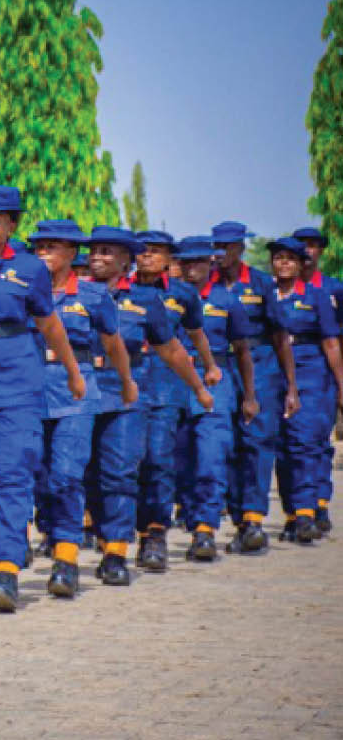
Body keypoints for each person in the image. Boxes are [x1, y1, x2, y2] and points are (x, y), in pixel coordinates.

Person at [0, 186, 84, 612]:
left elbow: (50, 325)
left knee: (11, 475)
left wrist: (73, 371)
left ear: (11, 225)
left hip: (17, 384)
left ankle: (5, 570)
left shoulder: (28, 269)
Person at [86, 227, 211, 584]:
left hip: (136, 394)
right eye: (94, 250)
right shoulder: (71, 296)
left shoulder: (146, 301)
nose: (97, 257)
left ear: (125, 260)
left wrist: (200, 387)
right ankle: (104, 531)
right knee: (88, 472)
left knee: (137, 466)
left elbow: (172, 349)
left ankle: (130, 544)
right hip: (83, 396)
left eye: (107, 251)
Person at [29, 220, 131, 596]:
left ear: (72, 254)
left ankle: (66, 559)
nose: (43, 254)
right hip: (30, 390)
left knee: (67, 476)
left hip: (76, 392)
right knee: (38, 480)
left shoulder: (92, 295)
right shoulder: (23, 290)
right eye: (39, 247)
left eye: (52, 247)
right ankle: (50, 536)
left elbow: (114, 342)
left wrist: (126, 381)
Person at [132, 230, 221, 570]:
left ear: (170, 259)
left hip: (168, 386)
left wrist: (209, 370)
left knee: (158, 458)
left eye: (155, 252)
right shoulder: (121, 291)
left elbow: (196, 336)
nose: (147, 257)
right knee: (127, 463)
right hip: (126, 384)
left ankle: (154, 533)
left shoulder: (182, 295)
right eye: (142, 252)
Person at [210, 221, 299, 551]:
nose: (220, 254)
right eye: (216, 247)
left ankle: (254, 519)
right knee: (227, 443)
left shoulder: (261, 283)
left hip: (260, 363)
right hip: (222, 366)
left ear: (240, 249)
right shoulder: (207, 284)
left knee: (257, 442)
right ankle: (238, 517)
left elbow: (280, 337)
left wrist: (291, 387)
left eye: (227, 247)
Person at [175, 237, 258, 558]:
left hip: (216, 382)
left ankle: (205, 529)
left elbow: (243, 352)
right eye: (185, 262)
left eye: (198, 262)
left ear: (211, 264)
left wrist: (249, 396)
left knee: (211, 456)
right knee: (179, 460)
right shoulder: (168, 300)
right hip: (174, 383)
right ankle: (188, 516)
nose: (191, 268)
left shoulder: (227, 301)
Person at [268, 236, 343, 543]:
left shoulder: (316, 297)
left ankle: (307, 512)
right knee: (282, 448)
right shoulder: (266, 295)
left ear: (301, 265)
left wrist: (341, 384)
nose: (283, 263)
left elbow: (330, 342)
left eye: (290, 258)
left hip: (311, 373)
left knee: (305, 443)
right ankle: (291, 514)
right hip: (274, 373)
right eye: (278, 257)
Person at [294, 226, 343, 533]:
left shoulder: (334, 288)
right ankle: (297, 507)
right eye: (302, 246)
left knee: (316, 439)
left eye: (313, 246)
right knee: (291, 443)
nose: (307, 251)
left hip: (321, 371)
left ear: (321, 251)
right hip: (285, 371)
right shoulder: (278, 289)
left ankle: (319, 502)